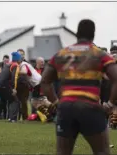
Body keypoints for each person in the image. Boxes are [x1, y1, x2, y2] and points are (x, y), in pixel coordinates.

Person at [40, 19, 117, 155]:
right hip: (90, 107)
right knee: (102, 151)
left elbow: (45, 81)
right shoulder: (99, 54)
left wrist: (56, 101)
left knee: (63, 152)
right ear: (93, 35)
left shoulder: (61, 54)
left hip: (66, 109)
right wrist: (110, 104)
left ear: (76, 34)